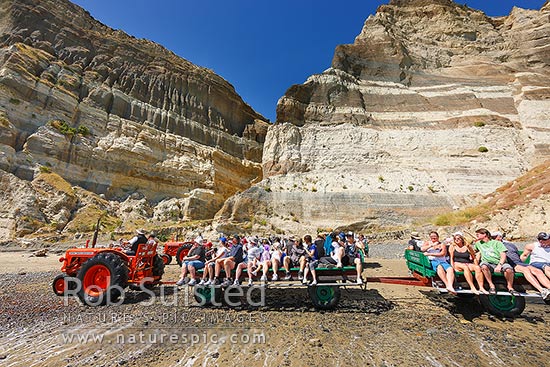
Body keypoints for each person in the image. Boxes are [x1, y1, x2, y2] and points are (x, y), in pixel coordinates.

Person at [494, 232, 550, 300]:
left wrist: (521, 262)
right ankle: (542, 290)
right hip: (511, 264)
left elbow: (518, 256)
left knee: (537, 271)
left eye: (496, 237)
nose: (541, 241)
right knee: (526, 270)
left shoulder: (510, 245)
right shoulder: (492, 245)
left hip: (519, 263)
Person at [473, 228, 515, 295]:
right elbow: (473, 252)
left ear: (485, 234)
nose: (476, 236)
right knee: (483, 266)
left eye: (478, 234)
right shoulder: (478, 244)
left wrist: (499, 265)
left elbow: (503, 255)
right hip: (488, 263)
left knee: (508, 269)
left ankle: (510, 287)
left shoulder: (497, 243)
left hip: (500, 262)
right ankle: (491, 285)